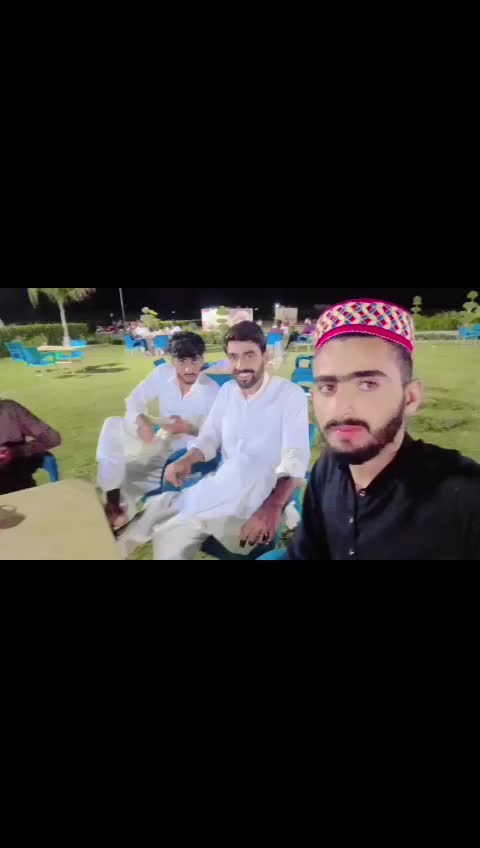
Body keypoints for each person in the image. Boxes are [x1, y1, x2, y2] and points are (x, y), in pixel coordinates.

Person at [288, 298, 480, 560]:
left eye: (368, 384)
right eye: (328, 387)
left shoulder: (464, 496)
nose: (342, 408)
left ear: (410, 398)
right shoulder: (327, 468)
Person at [118, 321, 311, 560]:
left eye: (249, 355)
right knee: (168, 526)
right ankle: (112, 546)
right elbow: (209, 436)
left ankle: (143, 526)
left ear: (265, 355)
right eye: (233, 357)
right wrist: (188, 459)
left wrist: (273, 506)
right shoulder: (228, 391)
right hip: (221, 487)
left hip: (259, 493)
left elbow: (296, 456)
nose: (240, 365)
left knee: (240, 469)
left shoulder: (289, 395)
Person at [97, 332, 219, 529]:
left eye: (195, 360)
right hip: (159, 440)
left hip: (183, 453)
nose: (189, 369)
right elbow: (134, 400)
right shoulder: (163, 373)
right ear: (172, 361)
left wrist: (187, 427)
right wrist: (141, 420)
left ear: (202, 360)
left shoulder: (212, 390)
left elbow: (216, 433)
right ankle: (112, 498)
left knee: (132, 475)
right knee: (112, 424)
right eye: (182, 361)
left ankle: (120, 515)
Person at [0, 399, 61, 495]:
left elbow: (52, 437)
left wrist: (16, 451)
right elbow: (52, 438)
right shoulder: (10, 409)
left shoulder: (10, 409)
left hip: (18, 485)